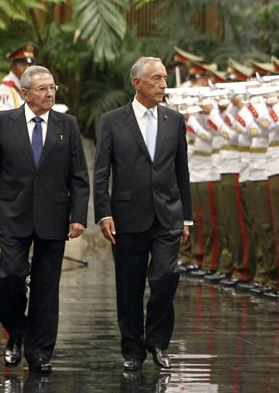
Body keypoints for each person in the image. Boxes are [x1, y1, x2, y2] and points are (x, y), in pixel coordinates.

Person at [0, 65, 89, 374]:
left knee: (46, 287)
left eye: (53, 88)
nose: (50, 93)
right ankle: (16, 332)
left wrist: (78, 216)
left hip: (53, 216)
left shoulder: (67, 124)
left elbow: (79, 176)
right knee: (12, 276)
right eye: (42, 89)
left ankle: (39, 352)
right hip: (13, 214)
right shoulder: (5, 122)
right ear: (25, 93)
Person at [93, 56, 192, 371]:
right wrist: (103, 213)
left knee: (166, 276)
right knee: (129, 285)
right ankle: (132, 349)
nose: (163, 84)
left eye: (164, 78)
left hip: (167, 215)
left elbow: (181, 171)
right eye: (156, 79)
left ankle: (159, 341)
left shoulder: (174, 120)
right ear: (137, 83)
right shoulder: (112, 121)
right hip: (127, 215)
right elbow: (101, 172)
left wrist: (186, 217)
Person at [0, 42, 38, 119]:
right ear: (12, 66)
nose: (27, 69)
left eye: (30, 65)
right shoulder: (4, 90)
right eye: (22, 64)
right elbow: (6, 122)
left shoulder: (30, 88)